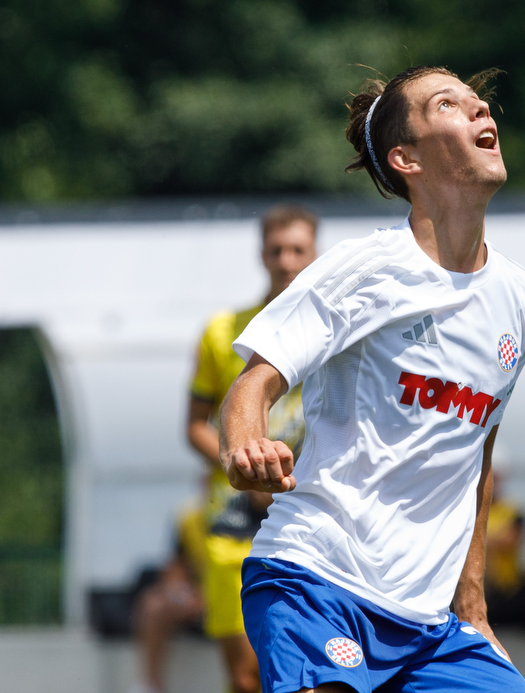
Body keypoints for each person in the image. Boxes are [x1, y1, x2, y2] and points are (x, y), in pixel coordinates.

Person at [219, 65, 525, 693]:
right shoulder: (363, 269)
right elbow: (253, 383)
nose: (481, 112)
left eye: (481, 103)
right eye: (450, 104)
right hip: (316, 582)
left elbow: (475, 458)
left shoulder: (523, 302)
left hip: (430, 626)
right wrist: (244, 446)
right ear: (406, 158)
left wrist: (472, 609)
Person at [185, 203, 317, 693]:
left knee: (306, 672)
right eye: (276, 250)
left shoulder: (338, 330)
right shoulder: (223, 332)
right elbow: (195, 426)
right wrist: (241, 464)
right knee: (246, 676)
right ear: (261, 255)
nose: (286, 261)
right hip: (233, 521)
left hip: (313, 517)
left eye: (297, 250)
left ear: (315, 253)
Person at [126, 507, 207, 693]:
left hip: (232, 599)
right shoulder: (189, 518)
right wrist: (177, 592)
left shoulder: (249, 513)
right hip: (198, 601)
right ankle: (151, 686)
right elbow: (176, 565)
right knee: (152, 604)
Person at [482, 450, 525, 627]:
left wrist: (480, 540)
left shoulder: (515, 511)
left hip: (507, 588)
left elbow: (511, 541)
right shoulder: (471, 509)